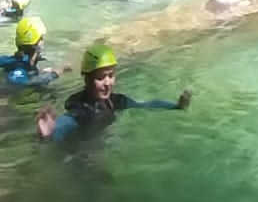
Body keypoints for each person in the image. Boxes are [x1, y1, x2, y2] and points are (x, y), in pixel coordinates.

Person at [36, 44, 190, 141]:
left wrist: (175, 106)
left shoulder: (116, 101)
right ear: (87, 79)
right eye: (100, 78)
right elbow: (68, 121)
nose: (107, 83)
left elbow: (146, 105)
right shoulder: (82, 108)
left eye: (111, 75)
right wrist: (51, 132)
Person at [0, 15, 56, 87]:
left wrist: (41, 72)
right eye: (41, 38)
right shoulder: (21, 67)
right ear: (36, 44)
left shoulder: (17, 59)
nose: (43, 41)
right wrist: (56, 73)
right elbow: (21, 84)